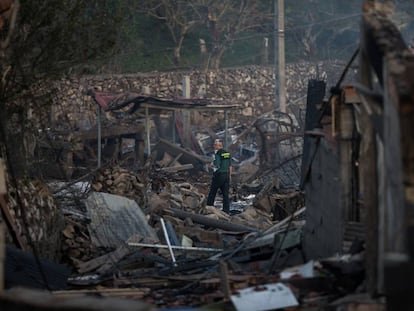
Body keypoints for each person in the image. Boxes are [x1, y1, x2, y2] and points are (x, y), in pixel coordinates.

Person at [206, 139, 232, 214]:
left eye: (215, 145)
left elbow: (217, 164)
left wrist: (211, 164)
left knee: (213, 191)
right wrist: (229, 176)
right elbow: (230, 166)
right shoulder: (227, 153)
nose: (214, 146)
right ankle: (226, 211)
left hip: (219, 175)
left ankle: (209, 206)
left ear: (219, 146)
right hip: (226, 174)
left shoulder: (217, 153)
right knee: (225, 194)